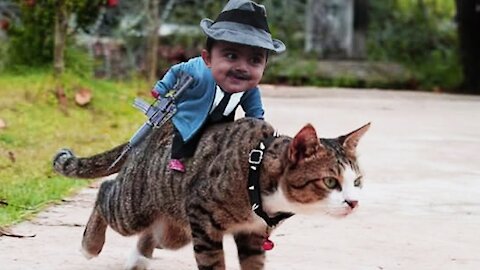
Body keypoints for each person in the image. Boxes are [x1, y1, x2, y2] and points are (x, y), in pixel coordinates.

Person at [151, 0, 286, 173]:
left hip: (222, 119)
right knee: (186, 135)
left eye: (255, 60)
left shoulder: (250, 90)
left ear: (265, 66)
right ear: (208, 59)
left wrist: (258, 132)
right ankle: (177, 157)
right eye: (231, 55)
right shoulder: (197, 71)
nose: (242, 68)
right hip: (194, 113)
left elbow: (255, 114)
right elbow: (176, 71)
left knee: (222, 140)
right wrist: (161, 88)